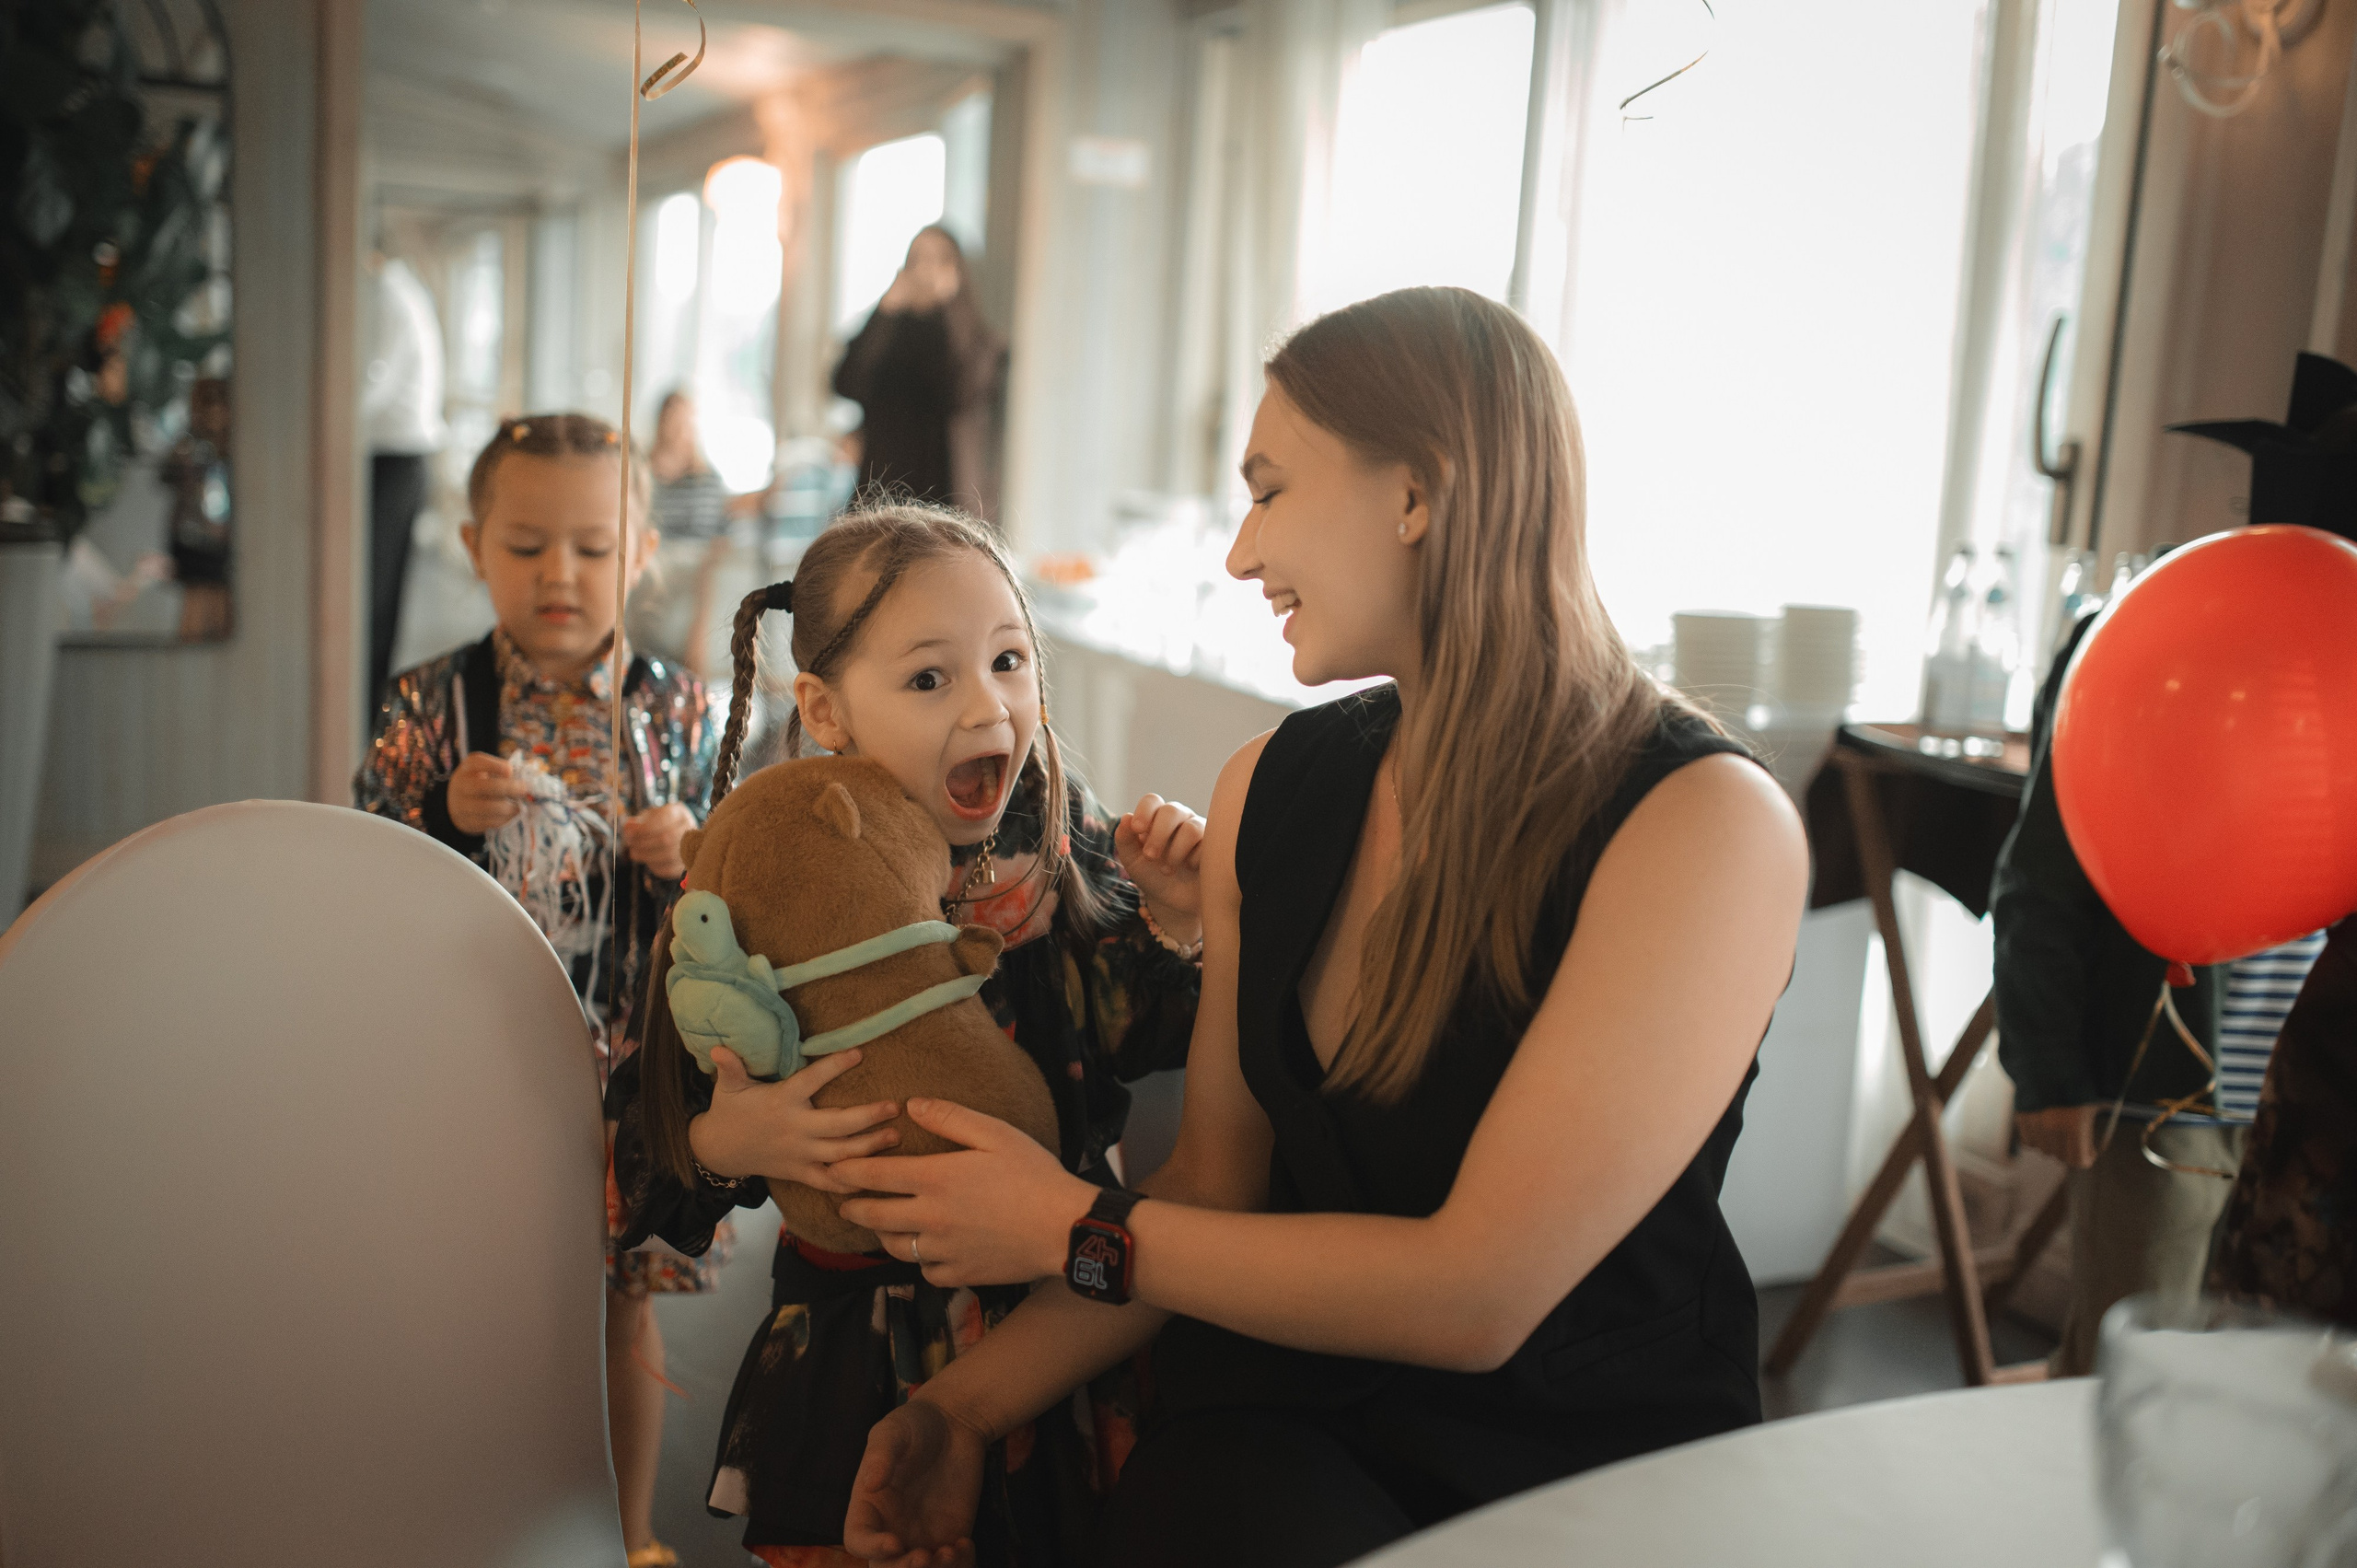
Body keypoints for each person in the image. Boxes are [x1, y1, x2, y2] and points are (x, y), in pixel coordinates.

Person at [827, 287, 1808, 1568]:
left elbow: (1476, 1293)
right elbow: (1212, 1188)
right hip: (1275, 1437)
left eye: (1272, 488)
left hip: (1570, 1475)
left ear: (1418, 491)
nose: (1240, 553)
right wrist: (958, 1405)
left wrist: (1071, 1224)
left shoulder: (1703, 824)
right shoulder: (1272, 788)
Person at [609, 504, 1208, 1567]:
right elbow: (637, 1151)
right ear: (824, 708)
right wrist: (732, 1142)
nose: (989, 704)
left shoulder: (1061, 839)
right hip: (851, 1361)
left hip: (1060, 1327)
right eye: (930, 678)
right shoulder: (775, 876)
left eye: (1010, 660)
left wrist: (1179, 917)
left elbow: (1157, 1031)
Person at [353, 412, 722, 1568]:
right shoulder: (425, 702)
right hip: (471, 1060)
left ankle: (627, 1535)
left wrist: (692, 850)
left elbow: (753, 888)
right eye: (525, 545)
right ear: (472, 544)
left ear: (643, 550)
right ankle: (469, 1521)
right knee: (476, 1301)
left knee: (621, 1308)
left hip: (628, 1063)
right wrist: (434, 818)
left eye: (593, 547)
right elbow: (361, 866)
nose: (560, 573)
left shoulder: (687, 710)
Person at [1993, 602, 2328, 1378]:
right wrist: (2047, 1068)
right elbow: (2044, 874)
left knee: (2275, 1390)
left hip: (2314, 1102)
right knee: (2124, 1375)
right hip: (2169, 1095)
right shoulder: (2157, 624)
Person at [831, 227, 1005, 517]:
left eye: (938, 261)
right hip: (879, 488)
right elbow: (845, 383)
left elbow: (959, 395)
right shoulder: (888, 330)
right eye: (918, 260)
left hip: (945, 493)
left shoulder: (973, 339)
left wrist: (948, 308)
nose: (926, 271)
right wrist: (884, 312)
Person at [362, 251, 448, 719]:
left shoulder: (386, 293)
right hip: (396, 457)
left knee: (375, 595)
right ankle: (364, 702)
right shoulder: (396, 290)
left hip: (395, 458)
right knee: (378, 593)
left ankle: (362, 708)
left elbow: (370, 381)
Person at [626, 389, 762, 680]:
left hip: (699, 563)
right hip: (657, 556)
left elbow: (719, 532)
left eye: (686, 422)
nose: (680, 430)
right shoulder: (642, 473)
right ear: (661, 422)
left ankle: (693, 663)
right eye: (674, 420)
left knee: (708, 575)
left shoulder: (707, 477)